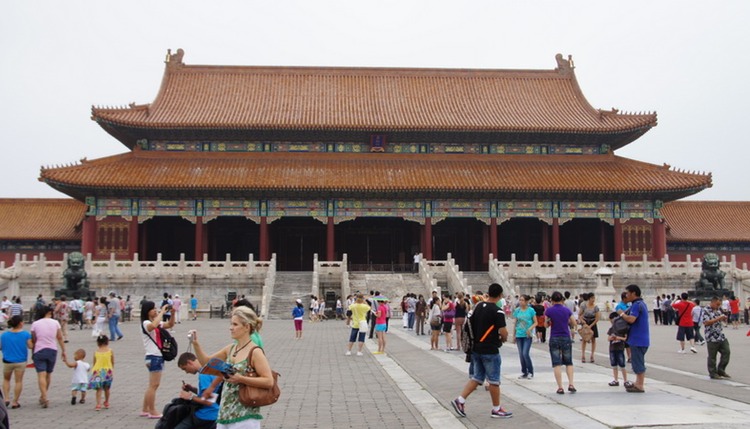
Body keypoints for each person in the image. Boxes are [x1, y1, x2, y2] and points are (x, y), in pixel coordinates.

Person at [190, 306, 274, 428]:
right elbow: (206, 362)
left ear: (247, 327)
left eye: (235, 324)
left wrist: (241, 379)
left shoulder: (255, 351)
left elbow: (269, 381)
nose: (231, 328)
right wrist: (196, 344)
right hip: (225, 413)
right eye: (231, 324)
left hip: (245, 414)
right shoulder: (230, 349)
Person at [450, 283, 512, 419]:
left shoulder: (477, 307)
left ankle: (460, 400)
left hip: (476, 348)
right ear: (500, 295)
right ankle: (496, 409)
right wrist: (503, 338)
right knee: (494, 380)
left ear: (488, 293)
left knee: (477, 378)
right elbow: (503, 332)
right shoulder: (498, 312)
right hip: (490, 349)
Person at [140, 300, 175, 419]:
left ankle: (145, 409)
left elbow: (169, 325)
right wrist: (162, 312)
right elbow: (153, 326)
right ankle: (152, 410)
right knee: (154, 385)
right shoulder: (145, 323)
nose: (155, 310)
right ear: (147, 311)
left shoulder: (153, 322)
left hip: (154, 357)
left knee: (151, 385)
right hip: (154, 356)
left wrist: (173, 313)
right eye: (153, 309)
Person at [30, 303, 67, 408]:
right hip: (52, 350)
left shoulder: (35, 324)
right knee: (48, 374)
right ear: (49, 312)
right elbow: (60, 337)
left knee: (41, 374)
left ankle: (44, 396)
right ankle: (44, 395)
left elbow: (34, 339)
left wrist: (32, 352)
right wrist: (63, 350)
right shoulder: (55, 323)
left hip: (39, 350)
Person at [176, 352, 221, 429]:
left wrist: (190, 397)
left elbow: (209, 401)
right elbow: (210, 394)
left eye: (184, 368)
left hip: (206, 415)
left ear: (189, 362)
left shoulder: (204, 374)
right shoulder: (211, 369)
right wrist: (192, 389)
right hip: (216, 414)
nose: (186, 372)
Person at [544, 291, 577, 395]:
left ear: (552, 300)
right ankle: (571, 384)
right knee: (568, 362)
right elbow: (574, 323)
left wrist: (550, 322)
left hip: (554, 337)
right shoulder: (566, 310)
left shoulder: (549, 311)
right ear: (562, 300)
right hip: (566, 337)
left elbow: (545, 325)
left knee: (556, 363)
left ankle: (560, 387)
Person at [621, 284, 649, 393]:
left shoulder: (637, 305)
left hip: (638, 339)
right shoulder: (642, 304)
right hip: (640, 338)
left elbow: (631, 319)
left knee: (638, 362)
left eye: (628, 293)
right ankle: (638, 383)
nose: (626, 295)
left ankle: (640, 385)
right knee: (637, 361)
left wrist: (622, 314)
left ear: (633, 293)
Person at [1, 315, 32, 409]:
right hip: (20, 360)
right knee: (18, 381)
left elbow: (1, 347)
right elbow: (30, 346)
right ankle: (15, 401)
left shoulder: (4, 335)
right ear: (20, 323)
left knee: (6, 379)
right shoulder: (26, 334)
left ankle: (6, 398)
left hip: (7, 360)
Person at [701, 296, 731, 379]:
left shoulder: (718, 310)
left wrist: (723, 319)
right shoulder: (706, 310)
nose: (718, 306)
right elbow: (706, 322)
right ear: (713, 302)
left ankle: (721, 369)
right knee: (712, 356)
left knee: (727, 352)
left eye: (719, 305)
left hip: (720, 335)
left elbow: (719, 319)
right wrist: (718, 318)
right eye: (717, 304)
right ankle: (713, 373)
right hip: (711, 336)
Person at [511, 294, 537, 379]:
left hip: (527, 335)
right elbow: (515, 323)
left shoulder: (531, 310)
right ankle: (524, 372)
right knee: (521, 355)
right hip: (519, 334)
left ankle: (530, 371)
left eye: (522, 300)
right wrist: (513, 335)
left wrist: (530, 328)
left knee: (525, 353)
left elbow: (535, 322)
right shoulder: (517, 310)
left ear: (526, 301)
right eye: (520, 300)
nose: (521, 301)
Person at [88, 334, 114, 410]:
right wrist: (112, 370)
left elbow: (94, 362)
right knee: (107, 388)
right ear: (107, 342)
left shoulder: (96, 352)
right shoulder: (110, 351)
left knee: (99, 389)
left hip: (98, 372)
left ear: (98, 343)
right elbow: (112, 362)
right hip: (108, 371)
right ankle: (106, 402)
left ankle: (98, 404)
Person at [606, 312, 628, 387]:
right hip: (612, 348)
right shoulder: (611, 329)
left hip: (620, 348)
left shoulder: (622, 328)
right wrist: (611, 338)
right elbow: (608, 338)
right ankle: (616, 380)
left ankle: (625, 380)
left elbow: (625, 338)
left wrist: (618, 338)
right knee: (614, 365)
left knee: (622, 364)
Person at [578, 293, 600, 363]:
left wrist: (591, 326)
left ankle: (592, 355)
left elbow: (597, 318)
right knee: (584, 339)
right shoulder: (584, 305)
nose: (593, 300)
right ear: (589, 298)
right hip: (585, 322)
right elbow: (579, 315)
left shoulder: (596, 307)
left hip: (593, 323)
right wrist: (583, 322)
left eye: (594, 298)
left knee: (593, 340)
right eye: (592, 298)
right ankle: (583, 355)